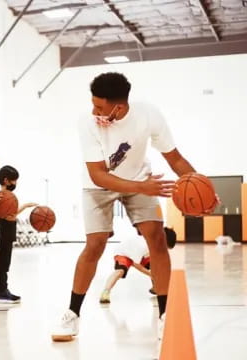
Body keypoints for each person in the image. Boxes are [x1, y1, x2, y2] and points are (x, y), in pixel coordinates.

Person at [51, 72, 217, 342]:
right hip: (99, 186)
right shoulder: (87, 122)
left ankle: (164, 316)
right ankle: (72, 314)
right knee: (95, 245)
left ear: (119, 106)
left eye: (100, 107)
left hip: (139, 180)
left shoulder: (148, 115)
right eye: (93, 104)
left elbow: (175, 159)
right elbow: (98, 175)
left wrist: (204, 187)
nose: (95, 111)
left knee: (157, 239)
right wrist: (143, 187)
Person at [99, 227, 177, 304]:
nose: (165, 250)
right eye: (165, 247)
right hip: (123, 253)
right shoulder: (143, 245)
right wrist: (151, 274)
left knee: (156, 265)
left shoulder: (154, 242)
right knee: (120, 271)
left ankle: (155, 288)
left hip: (138, 255)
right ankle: (105, 292)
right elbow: (136, 264)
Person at [0, 165, 37, 304]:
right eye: (14, 180)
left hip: (8, 229)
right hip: (2, 231)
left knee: (5, 263)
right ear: (6, 180)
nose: (15, 184)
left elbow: (10, 214)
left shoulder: (8, 196)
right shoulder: (0, 195)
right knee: (1, 263)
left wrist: (24, 207)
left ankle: (3, 289)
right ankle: (0, 291)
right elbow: (2, 214)